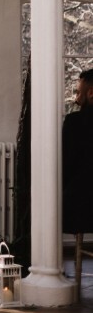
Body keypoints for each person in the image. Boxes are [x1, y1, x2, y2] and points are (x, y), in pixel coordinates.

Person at [62, 68, 93, 235]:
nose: (76, 99)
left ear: (91, 93)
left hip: (81, 209)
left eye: (78, 93)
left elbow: (65, 164)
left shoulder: (74, 123)